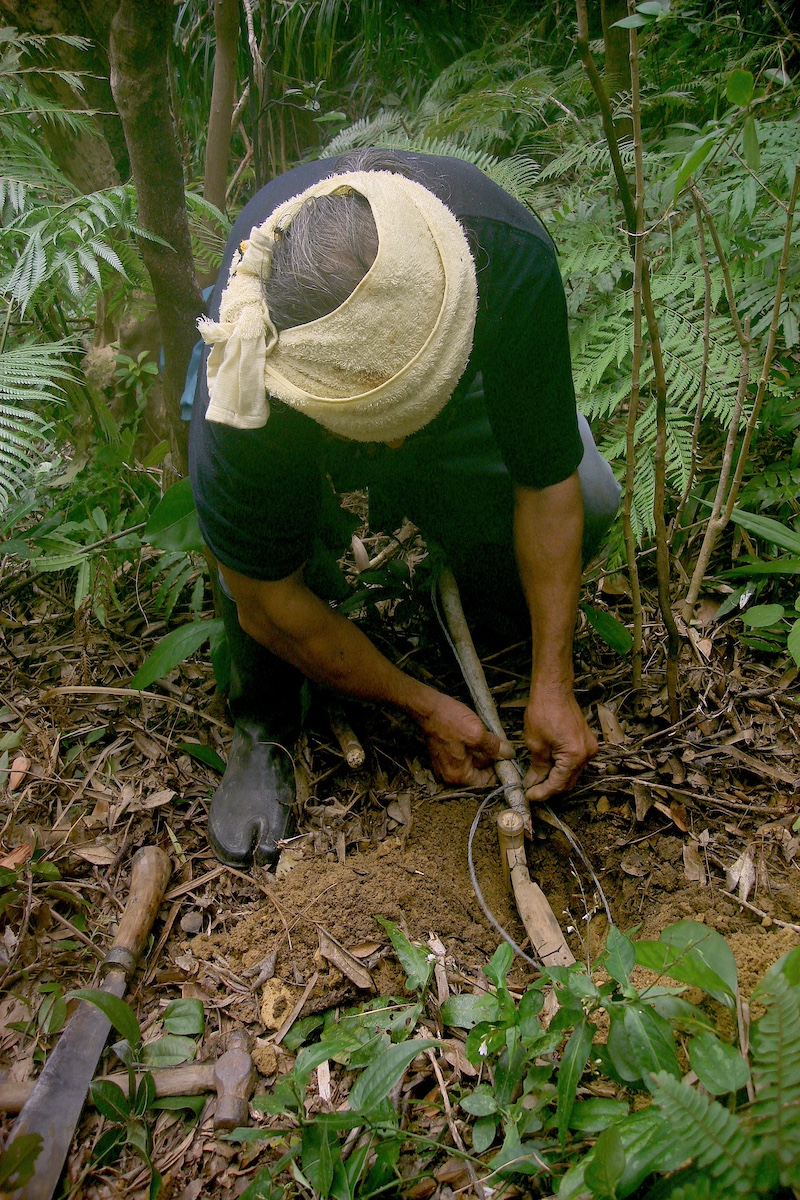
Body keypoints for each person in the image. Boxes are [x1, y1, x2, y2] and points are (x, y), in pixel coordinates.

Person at [188, 148, 620, 867]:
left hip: (456, 376)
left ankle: (484, 582)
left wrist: (553, 679)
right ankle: (259, 724)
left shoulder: (505, 257)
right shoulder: (249, 356)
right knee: (258, 564)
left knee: (594, 495)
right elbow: (265, 599)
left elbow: (548, 482)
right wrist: (421, 705)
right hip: (291, 402)